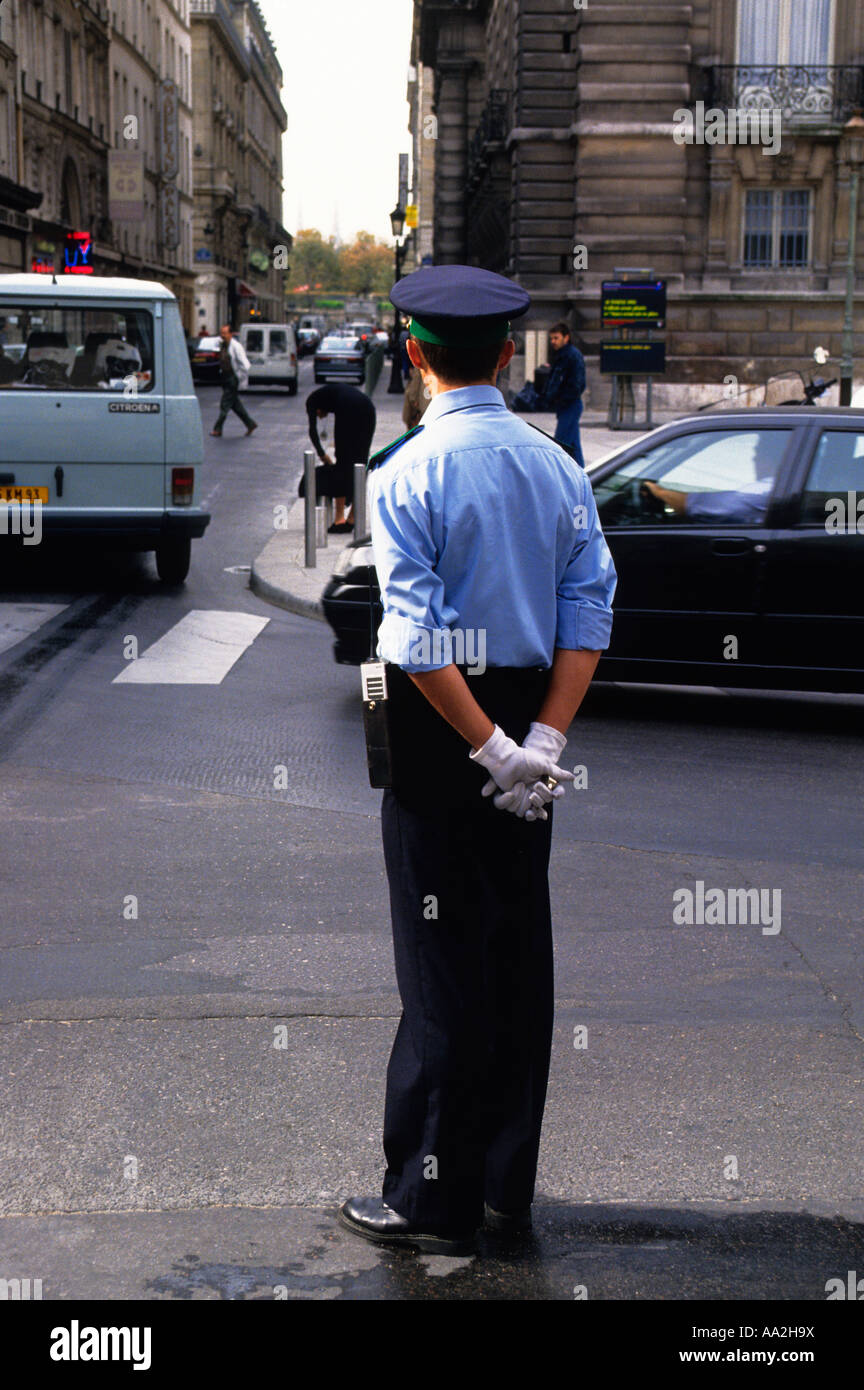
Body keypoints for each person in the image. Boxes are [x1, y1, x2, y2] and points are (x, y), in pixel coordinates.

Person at [338, 265, 617, 1256]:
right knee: (514, 953)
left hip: (443, 730)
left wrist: (489, 749)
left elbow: (416, 643)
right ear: (509, 354)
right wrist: (539, 743)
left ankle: (431, 1198)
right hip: (531, 720)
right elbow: (589, 612)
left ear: (414, 353)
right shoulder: (559, 471)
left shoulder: (407, 471)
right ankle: (505, 1180)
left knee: (440, 966)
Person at [303, 382, 376, 533]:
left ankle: (339, 519)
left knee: (343, 462)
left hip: (347, 408)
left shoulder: (312, 401)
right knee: (361, 461)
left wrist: (322, 454)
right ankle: (353, 518)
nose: (320, 416)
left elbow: (312, 430)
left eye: (317, 414)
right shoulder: (330, 393)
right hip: (368, 407)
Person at [542, 322, 586, 467]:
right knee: (573, 444)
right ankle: (581, 472)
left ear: (566, 338)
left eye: (556, 338)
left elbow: (577, 384)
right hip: (565, 405)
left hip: (570, 404)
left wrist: (561, 398)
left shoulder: (571, 356)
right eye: (551, 338)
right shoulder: (561, 355)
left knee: (561, 443)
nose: (553, 341)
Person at [211, 324, 257, 438]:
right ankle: (250, 424)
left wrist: (239, 378)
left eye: (225, 333)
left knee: (224, 404)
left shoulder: (236, 346)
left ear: (231, 334)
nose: (223, 335)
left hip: (232, 378)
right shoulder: (223, 345)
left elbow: (245, 364)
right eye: (221, 333)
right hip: (225, 378)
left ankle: (218, 429)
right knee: (236, 405)